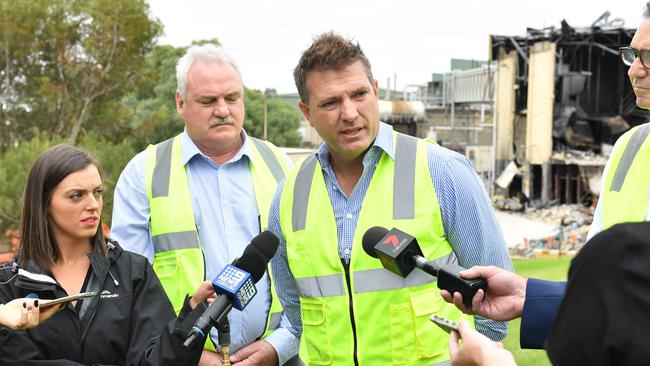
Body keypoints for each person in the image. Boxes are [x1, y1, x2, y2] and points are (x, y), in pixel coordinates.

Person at [269, 32, 512, 365]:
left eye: (359, 94)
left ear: (376, 91)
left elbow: (493, 304)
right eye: (330, 102)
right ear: (306, 112)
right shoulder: (289, 194)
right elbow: (295, 315)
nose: (350, 113)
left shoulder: (441, 170)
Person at [111, 44, 298, 365]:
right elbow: (127, 288)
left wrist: (278, 347)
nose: (223, 109)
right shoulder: (144, 172)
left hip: (274, 354)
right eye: (208, 101)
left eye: (232, 98)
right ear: (180, 103)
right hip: (178, 359)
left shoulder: (280, 165)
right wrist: (187, 352)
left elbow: (308, 270)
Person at [0, 144, 213, 365]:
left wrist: (191, 314)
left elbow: (156, 361)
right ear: (45, 204)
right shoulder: (8, 283)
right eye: (76, 196)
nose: (93, 205)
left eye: (97, 192)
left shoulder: (133, 272)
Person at [587, 2, 650, 240]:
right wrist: (526, 280)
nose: (634, 71)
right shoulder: (627, 147)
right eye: (634, 55)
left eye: (649, 57)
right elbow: (593, 267)